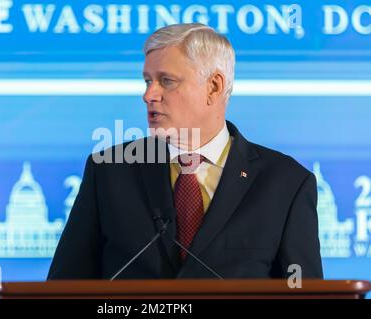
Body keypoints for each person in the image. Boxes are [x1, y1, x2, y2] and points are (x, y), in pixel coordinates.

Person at [48, 23, 323, 280]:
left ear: (213, 87)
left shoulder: (286, 183)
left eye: (166, 81)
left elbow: (302, 291)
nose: (149, 95)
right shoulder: (109, 170)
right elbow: (64, 286)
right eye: (147, 81)